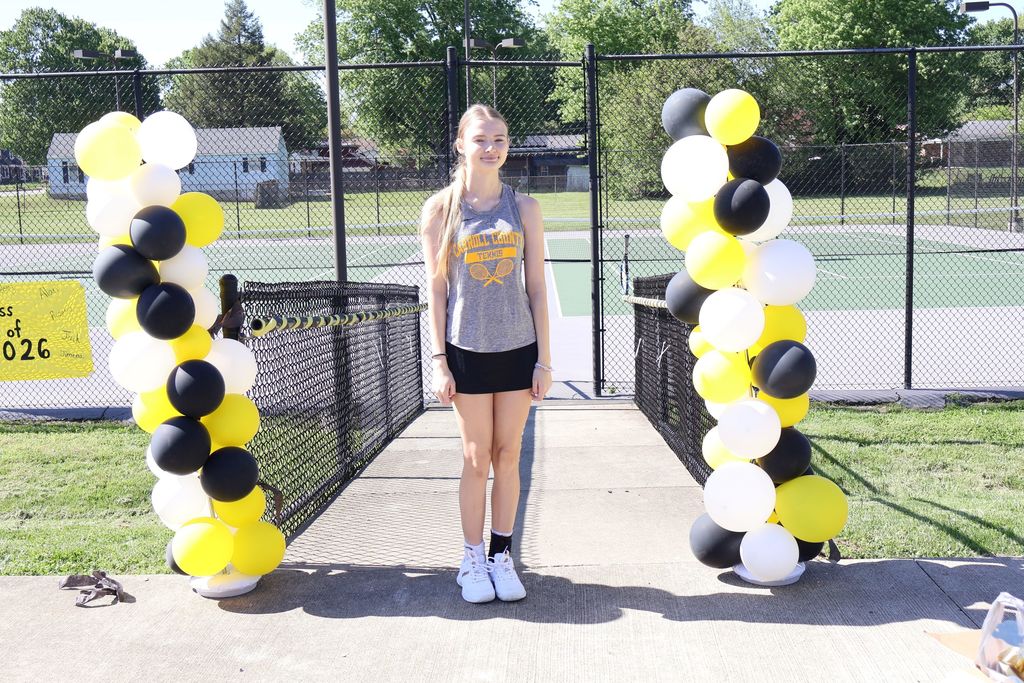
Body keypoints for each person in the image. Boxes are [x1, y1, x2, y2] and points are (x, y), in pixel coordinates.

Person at [419, 104, 553, 604]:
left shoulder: (525, 209)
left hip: (518, 351)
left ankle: (501, 556)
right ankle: (471, 559)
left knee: (508, 455)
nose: (491, 148)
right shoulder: (441, 210)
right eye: (480, 139)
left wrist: (543, 360)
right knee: (476, 458)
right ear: (461, 145)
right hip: (466, 351)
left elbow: (536, 288)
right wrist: (439, 360)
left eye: (499, 139)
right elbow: (436, 291)